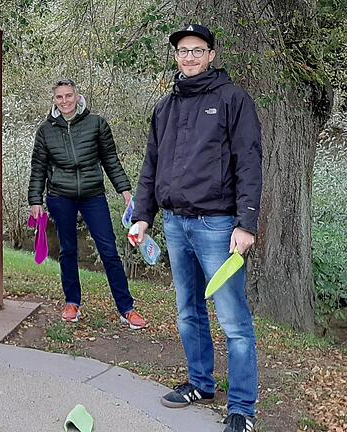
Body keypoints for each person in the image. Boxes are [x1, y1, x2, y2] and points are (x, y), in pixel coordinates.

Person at [131, 24, 262, 432]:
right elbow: (151, 166)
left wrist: (247, 222)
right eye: (183, 51)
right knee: (189, 312)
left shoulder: (233, 100)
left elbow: (249, 162)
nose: (189, 57)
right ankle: (201, 384)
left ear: (211, 55)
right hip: (175, 225)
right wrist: (143, 214)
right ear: (176, 56)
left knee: (234, 321)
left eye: (197, 50)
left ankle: (242, 407)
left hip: (218, 226)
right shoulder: (165, 107)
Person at [28, 79, 148, 329]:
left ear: (77, 96)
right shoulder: (45, 130)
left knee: (109, 251)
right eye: (59, 97)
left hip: (93, 195)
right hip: (60, 196)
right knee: (68, 250)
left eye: (68, 96)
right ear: (54, 100)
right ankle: (72, 302)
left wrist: (125, 190)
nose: (64, 101)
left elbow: (110, 159)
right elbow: (38, 167)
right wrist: (35, 200)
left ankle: (127, 308)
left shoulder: (96, 124)